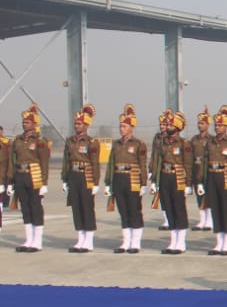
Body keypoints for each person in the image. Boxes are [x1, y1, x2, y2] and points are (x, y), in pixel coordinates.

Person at [196, 105, 227, 255]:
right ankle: (218, 243)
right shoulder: (209, 142)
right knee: (215, 209)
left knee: (226, 210)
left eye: (220, 125)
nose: (217, 127)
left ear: (226, 126)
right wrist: (201, 181)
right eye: (216, 125)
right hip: (212, 177)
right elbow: (204, 162)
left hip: (226, 177)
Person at [105, 104, 148, 254]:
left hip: (133, 179)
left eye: (124, 126)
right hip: (119, 179)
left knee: (134, 210)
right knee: (122, 211)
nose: (121, 129)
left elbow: (142, 164)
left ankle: (135, 242)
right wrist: (108, 182)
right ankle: (125, 241)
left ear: (131, 128)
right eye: (120, 126)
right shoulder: (116, 144)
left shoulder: (138, 144)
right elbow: (111, 164)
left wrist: (143, 183)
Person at [9, 104, 52, 253]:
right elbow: (12, 161)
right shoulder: (18, 140)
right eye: (23, 122)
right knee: (25, 207)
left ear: (34, 124)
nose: (24, 124)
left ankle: (37, 241)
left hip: (34, 176)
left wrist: (44, 183)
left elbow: (44, 162)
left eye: (27, 122)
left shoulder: (40, 140)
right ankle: (28, 239)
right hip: (20, 175)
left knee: (35, 207)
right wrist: (10, 180)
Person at [152, 110, 194, 254]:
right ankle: (173, 241)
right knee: (168, 208)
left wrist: (188, 184)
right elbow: (158, 161)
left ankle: (181, 243)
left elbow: (188, 165)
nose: (167, 127)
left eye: (170, 125)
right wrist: (155, 180)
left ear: (177, 127)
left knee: (179, 209)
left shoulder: (184, 143)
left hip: (178, 178)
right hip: (165, 176)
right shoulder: (162, 143)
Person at [63, 104, 101, 253]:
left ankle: (89, 241)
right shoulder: (70, 141)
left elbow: (95, 163)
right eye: (75, 123)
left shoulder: (92, 142)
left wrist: (96, 182)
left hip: (86, 176)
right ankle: (80, 239)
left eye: (79, 124)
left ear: (86, 125)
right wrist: (65, 179)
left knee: (87, 207)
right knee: (76, 207)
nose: (76, 126)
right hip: (73, 176)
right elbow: (66, 161)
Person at [190, 107, 214, 231]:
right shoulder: (194, 140)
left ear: (208, 124)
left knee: (208, 196)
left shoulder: (212, 139)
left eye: (202, 123)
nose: (200, 125)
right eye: (199, 123)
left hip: (208, 171)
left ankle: (209, 220)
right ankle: (202, 220)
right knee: (199, 196)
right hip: (196, 170)